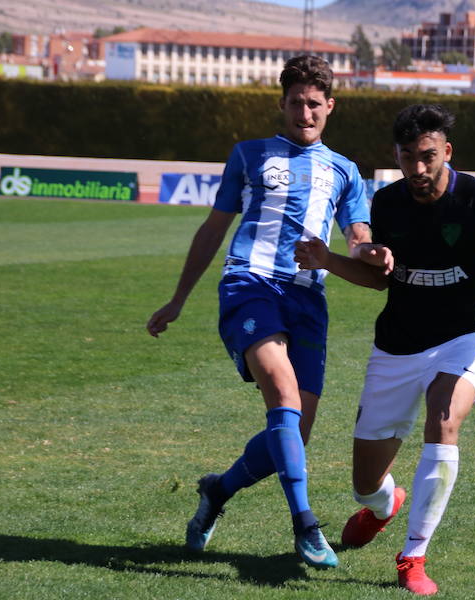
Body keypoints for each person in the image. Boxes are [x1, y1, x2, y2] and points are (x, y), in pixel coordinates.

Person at [294, 104, 475, 594]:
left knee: (444, 419)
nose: (418, 169)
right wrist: (328, 258)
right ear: (396, 155)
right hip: (395, 349)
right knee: (364, 483)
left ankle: (413, 555)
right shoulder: (388, 202)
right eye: (408, 158)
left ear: (447, 152)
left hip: (459, 341)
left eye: (428, 157)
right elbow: (377, 281)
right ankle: (382, 506)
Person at [146, 55, 378, 569]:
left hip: (308, 298)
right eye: (296, 102)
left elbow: (357, 235)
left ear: (330, 107)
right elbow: (212, 228)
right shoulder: (249, 155)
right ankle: (306, 525)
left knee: (294, 432)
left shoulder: (345, 171)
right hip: (249, 283)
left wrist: (371, 252)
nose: (304, 112)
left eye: (314, 103)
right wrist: (179, 299)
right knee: (283, 393)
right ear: (282, 104)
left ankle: (218, 490)